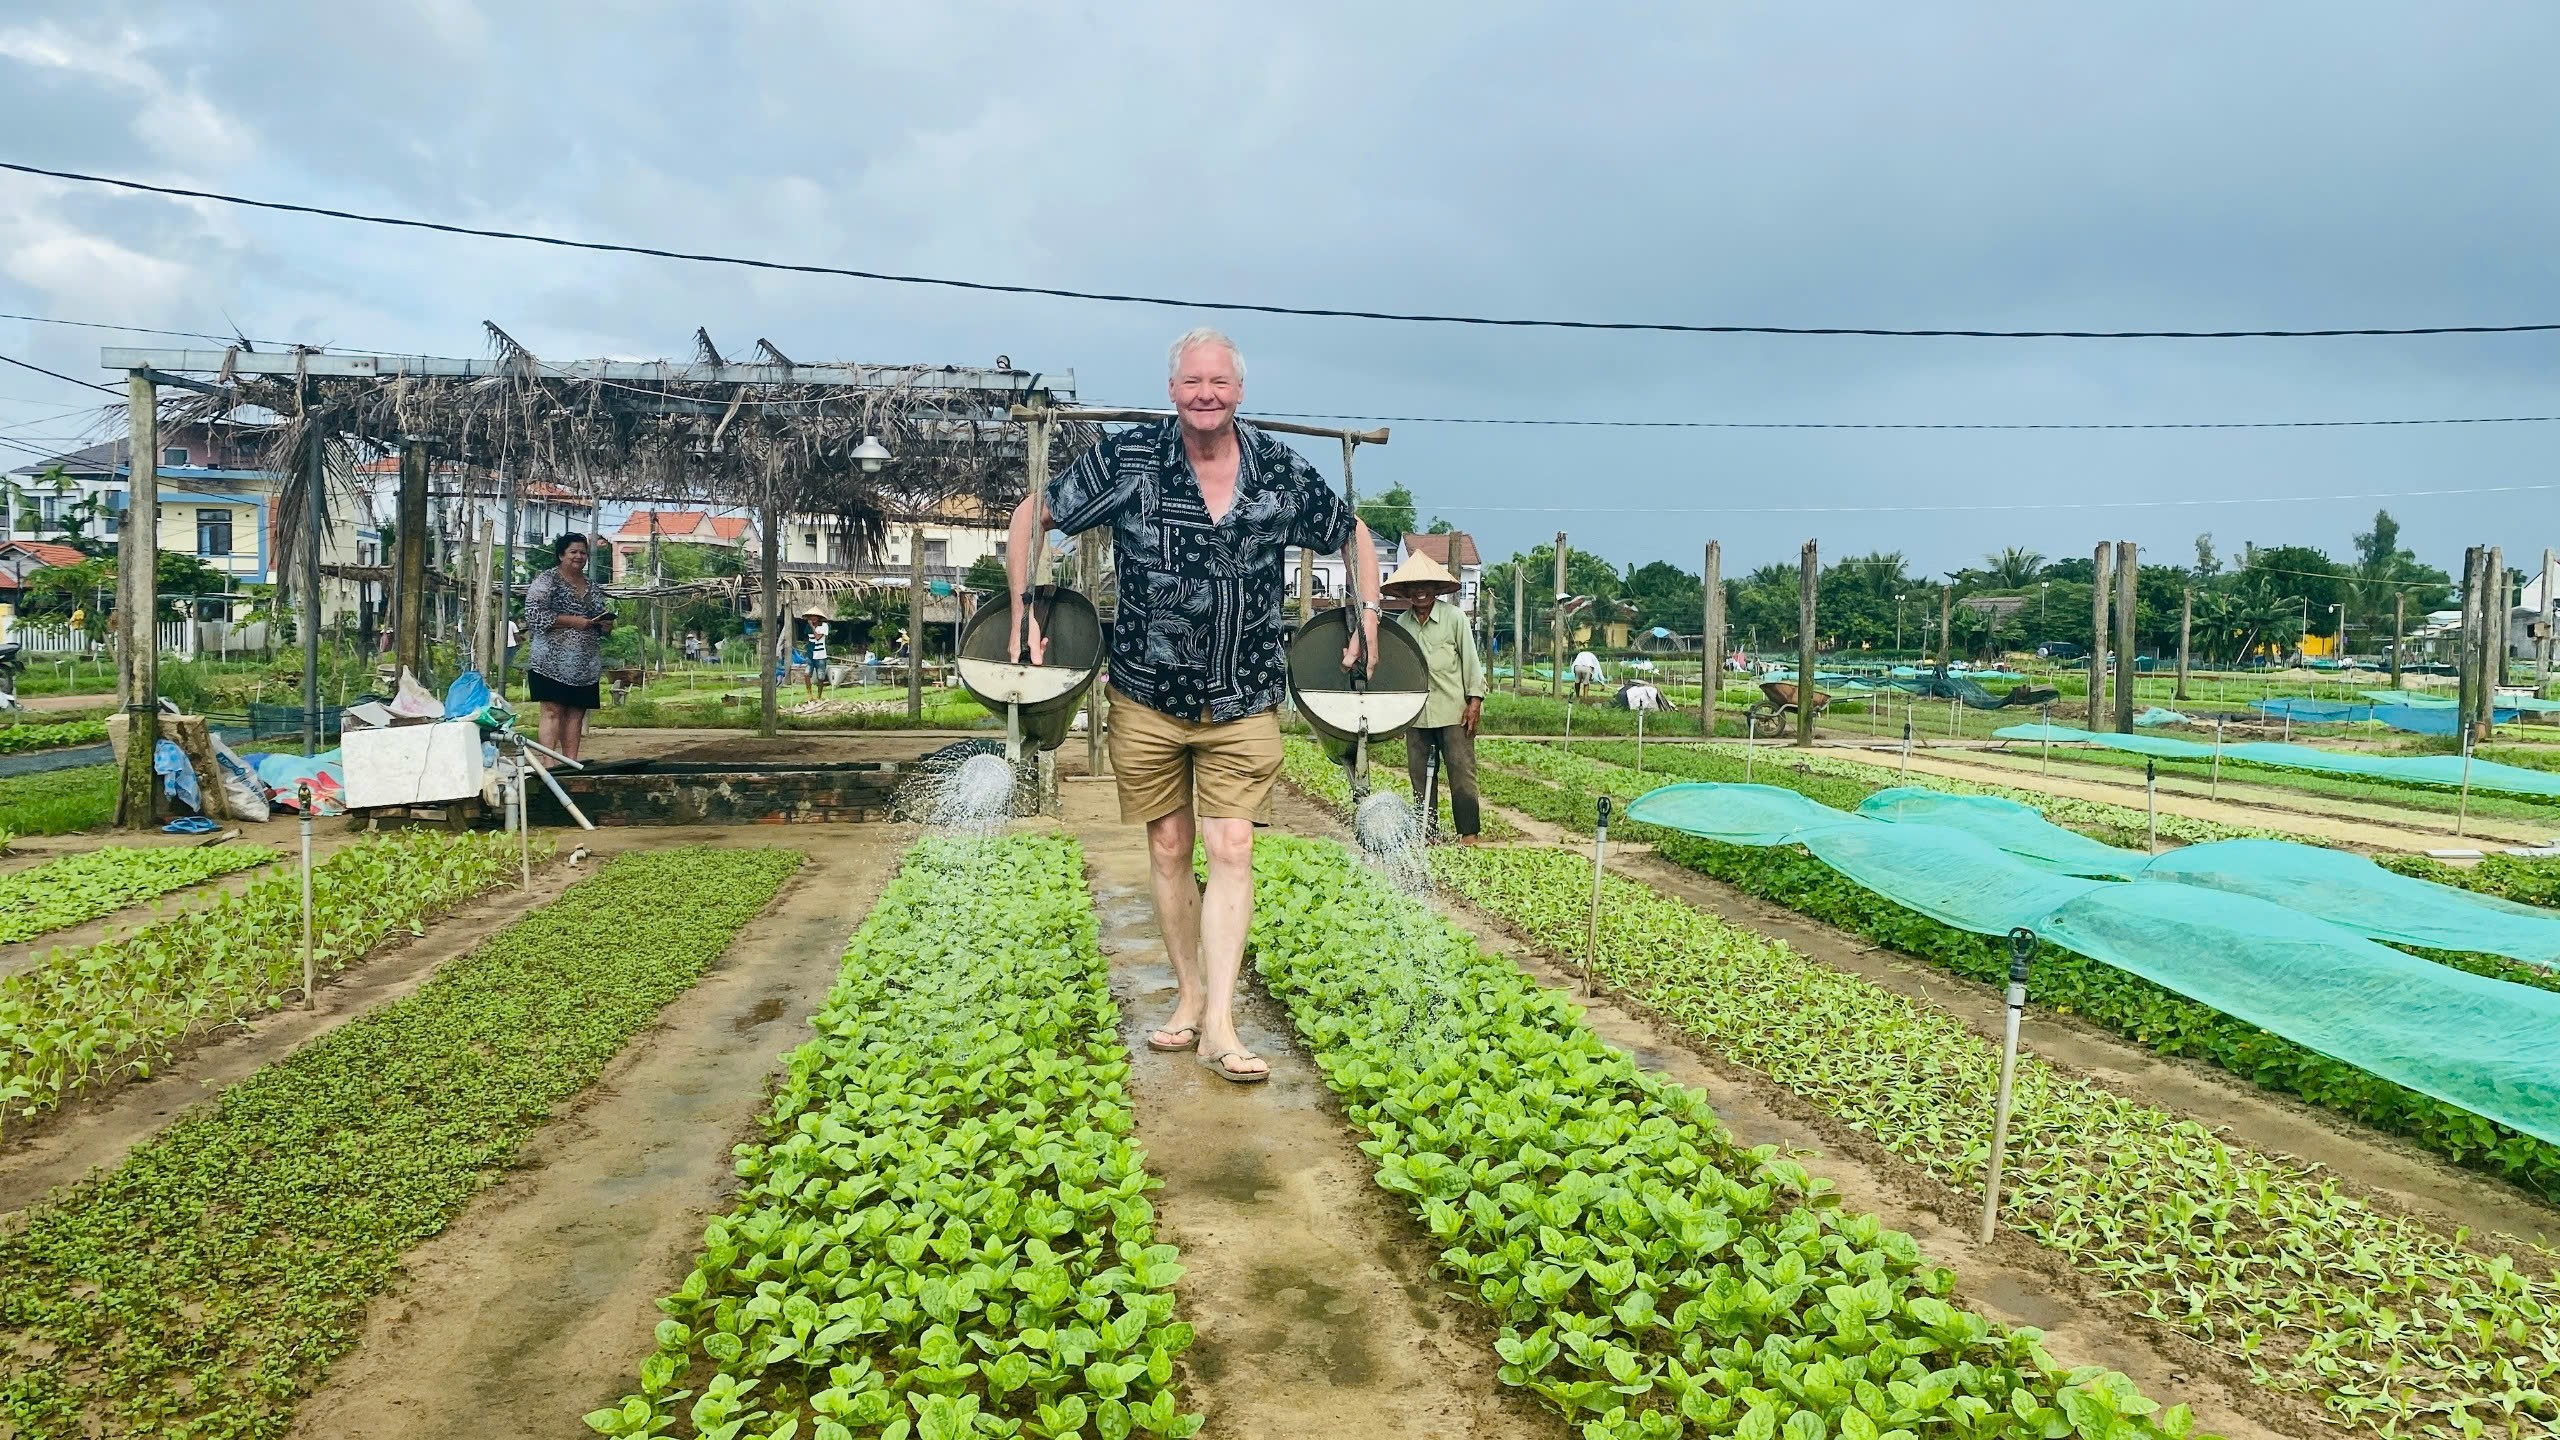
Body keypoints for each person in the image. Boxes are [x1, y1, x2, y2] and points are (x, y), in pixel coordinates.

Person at [1007, 326, 1379, 1086]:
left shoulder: (1278, 469)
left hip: (1242, 695)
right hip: (1145, 693)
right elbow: (1031, 515)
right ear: (1172, 391)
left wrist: (1368, 614)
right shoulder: (1132, 458)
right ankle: (1188, 996)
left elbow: (1354, 534)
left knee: (1232, 847)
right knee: (1170, 850)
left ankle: (1220, 1025)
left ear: (1239, 392)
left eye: (1219, 382)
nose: (1205, 394)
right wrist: (1023, 608)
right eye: (1192, 382)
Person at [1385, 552, 1484, 844]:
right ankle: (1427, 833)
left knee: (1462, 772)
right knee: (1419, 777)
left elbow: (1471, 660)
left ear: (1436, 588)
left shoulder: (1454, 618)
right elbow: (1398, 673)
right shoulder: (1401, 625)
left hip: (1454, 711)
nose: (1420, 591)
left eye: (1426, 585)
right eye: (1414, 586)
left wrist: (1474, 701)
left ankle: (1468, 833)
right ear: (1405, 591)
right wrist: (1397, 716)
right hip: (1417, 714)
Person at [523, 532, 614, 762]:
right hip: (549, 663)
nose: (579, 556)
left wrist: (604, 624)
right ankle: (549, 763)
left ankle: (571, 762)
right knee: (552, 711)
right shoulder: (546, 581)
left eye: (583, 552)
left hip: (585, 665)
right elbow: (534, 614)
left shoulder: (592, 586)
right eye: (573, 552)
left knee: (576, 714)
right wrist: (572, 621)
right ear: (561, 555)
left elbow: (600, 615)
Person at [801, 606, 833, 698]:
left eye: (814, 616)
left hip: (820, 655)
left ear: (819, 617)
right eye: (811, 617)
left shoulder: (824, 626)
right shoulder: (808, 627)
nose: (812, 618)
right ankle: (809, 694)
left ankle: (819, 696)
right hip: (810, 654)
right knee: (807, 674)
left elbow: (818, 637)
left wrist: (812, 627)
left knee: (820, 677)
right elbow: (808, 638)